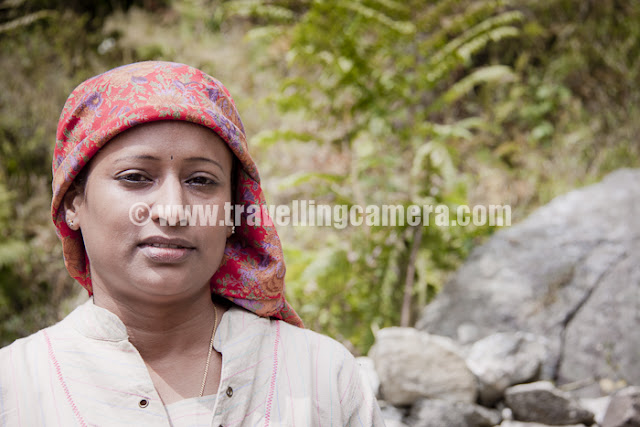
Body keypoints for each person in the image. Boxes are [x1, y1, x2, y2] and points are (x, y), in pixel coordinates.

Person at [0, 61, 384, 426]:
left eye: (201, 180)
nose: (172, 210)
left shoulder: (320, 378)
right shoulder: (16, 388)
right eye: (135, 177)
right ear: (73, 204)